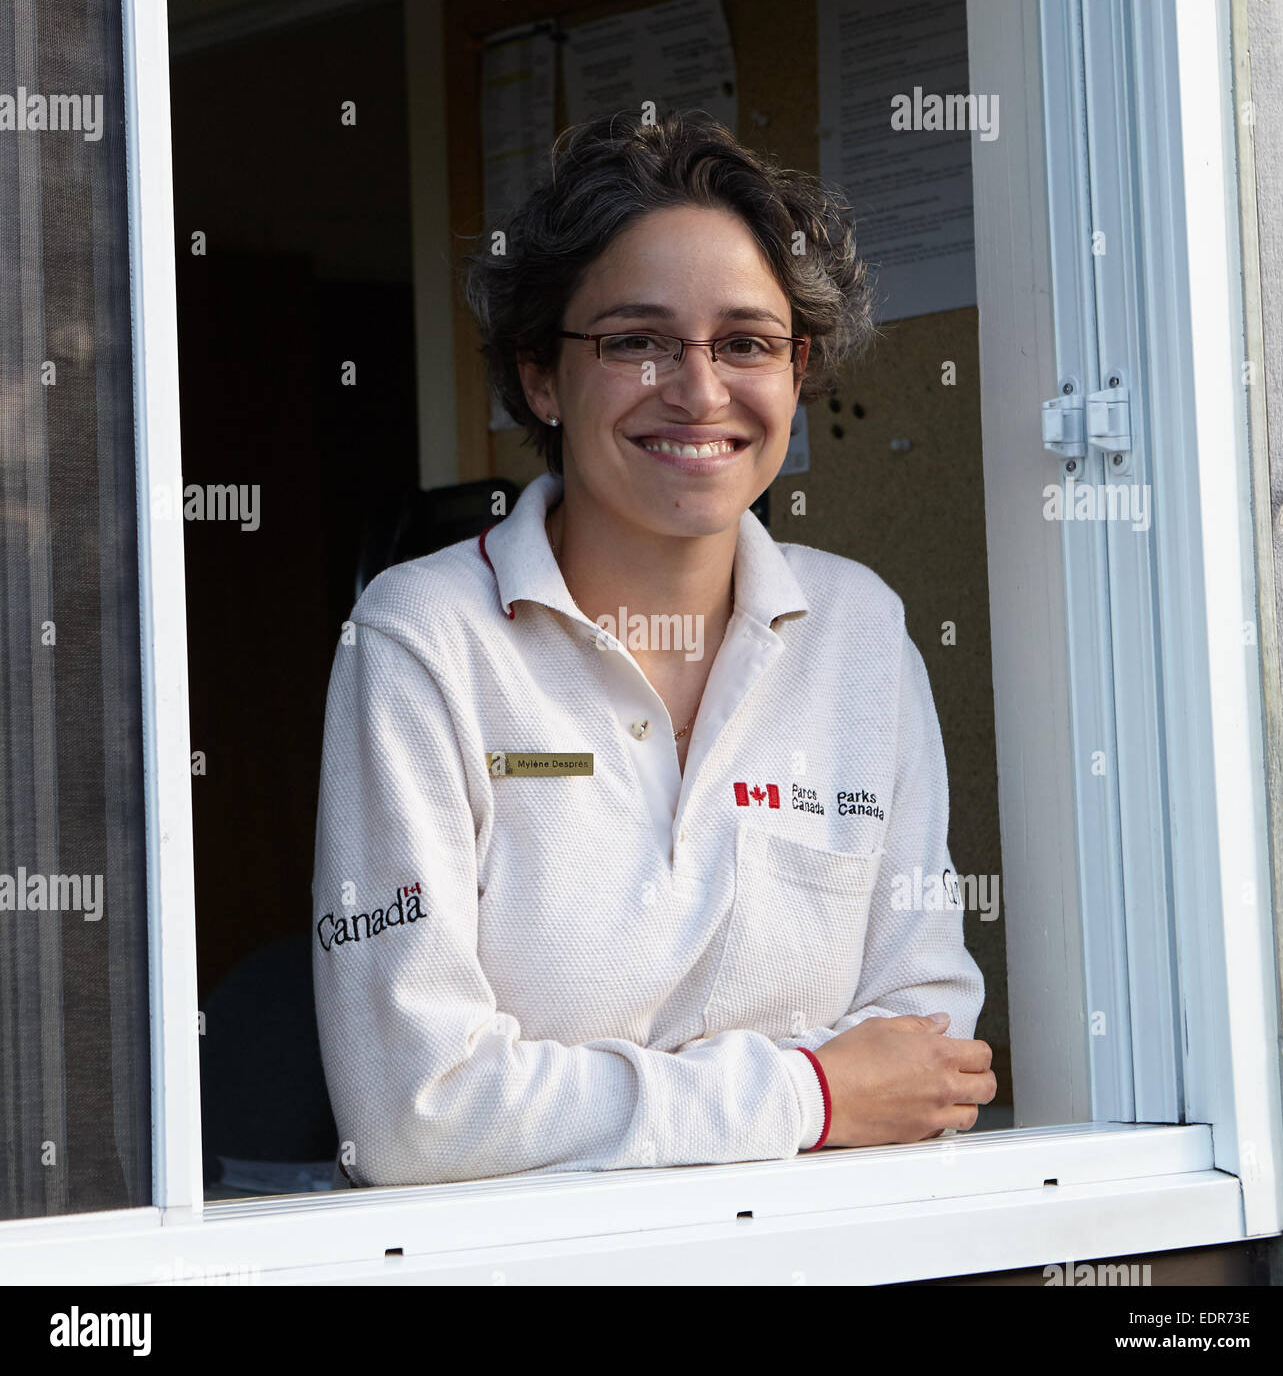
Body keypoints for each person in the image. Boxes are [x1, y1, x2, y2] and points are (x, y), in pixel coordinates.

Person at [311, 109, 994, 1189]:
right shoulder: (421, 641)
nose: (700, 389)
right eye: (635, 340)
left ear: (795, 365)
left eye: (745, 342)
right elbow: (416, 1111)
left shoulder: (860, 631)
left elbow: (925, 1055)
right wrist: (810, 1094)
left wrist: (579, 1102)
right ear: (540, 375)